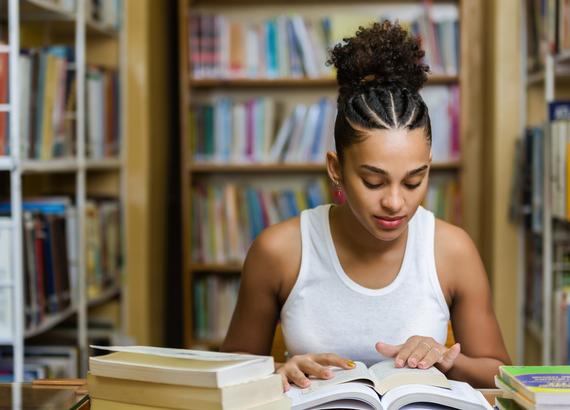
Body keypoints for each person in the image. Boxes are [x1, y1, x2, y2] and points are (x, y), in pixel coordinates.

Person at [221, 21, 511, 390]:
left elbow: (500, 374)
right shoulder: (279, 252)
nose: (395, 202)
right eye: (373, 181)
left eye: (413, 181)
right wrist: (280, 369)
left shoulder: (452, 251)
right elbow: (228, 375)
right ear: (336, 169)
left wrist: (446, 360)